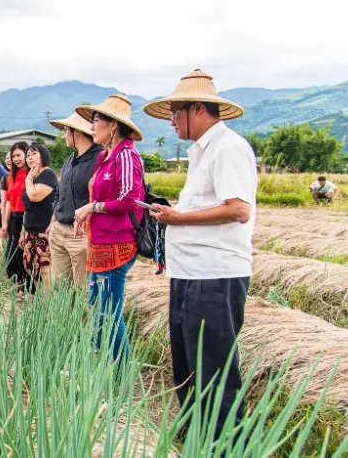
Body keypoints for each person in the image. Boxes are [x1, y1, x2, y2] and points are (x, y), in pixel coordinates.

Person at [143, 69, 256, 440]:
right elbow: (204, 208)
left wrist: (180, 217)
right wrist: (174, 215)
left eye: (176, 113)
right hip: (189, 275)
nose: (172, 121)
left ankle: (224, 445)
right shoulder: (200, 152)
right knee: (189, 368)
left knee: (215, 371)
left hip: (215, 277)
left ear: (197, 109)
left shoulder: (228, 148)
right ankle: (196, 439)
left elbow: (239, 209)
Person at [73, 94, 145, 366]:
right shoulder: (106, 156)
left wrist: (92, 208)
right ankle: (102, 365)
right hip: (100, 244)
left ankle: (120, 373)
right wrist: (88, 215)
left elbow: (130, 199)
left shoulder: (126, 155)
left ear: (113, 125)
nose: (92, 126)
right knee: (97, 309)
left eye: (96, 120)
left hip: (118, 245)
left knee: (110, 312)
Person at [47, 112, 103, 300]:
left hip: (81, 235)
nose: (63, 135)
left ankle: (82, 329)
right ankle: (63, 328)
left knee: (82, 293)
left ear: (77, 133)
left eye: (65, 131)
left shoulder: (100, 160)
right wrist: (55, 216)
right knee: (59, 288)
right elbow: (60, 191)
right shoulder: (70, 160)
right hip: (60, 230)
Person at [20, 143, 58, 295]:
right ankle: (40, 302)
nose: (30, 158)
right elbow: (27, 207)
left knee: (44, 269)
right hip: (30, 229)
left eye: (34, 153)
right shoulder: (32, 177)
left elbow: (35, 196)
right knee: (32, 268)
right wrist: (23, 231)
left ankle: (48, 306)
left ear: (43, 155)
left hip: (44, 230)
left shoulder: (47, 175)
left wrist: (28, 180)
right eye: (28, 155)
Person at [1, 142, 30, 297]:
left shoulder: (32, 174)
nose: (16, 159)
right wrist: (5, 223)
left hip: (28, 218)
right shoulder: (11, 176)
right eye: (13, 156)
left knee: (24, 254)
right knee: (12, 254)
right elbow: (9, 201)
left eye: (19, 155)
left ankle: (29, 289)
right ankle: (18, 286)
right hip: (14, 218)